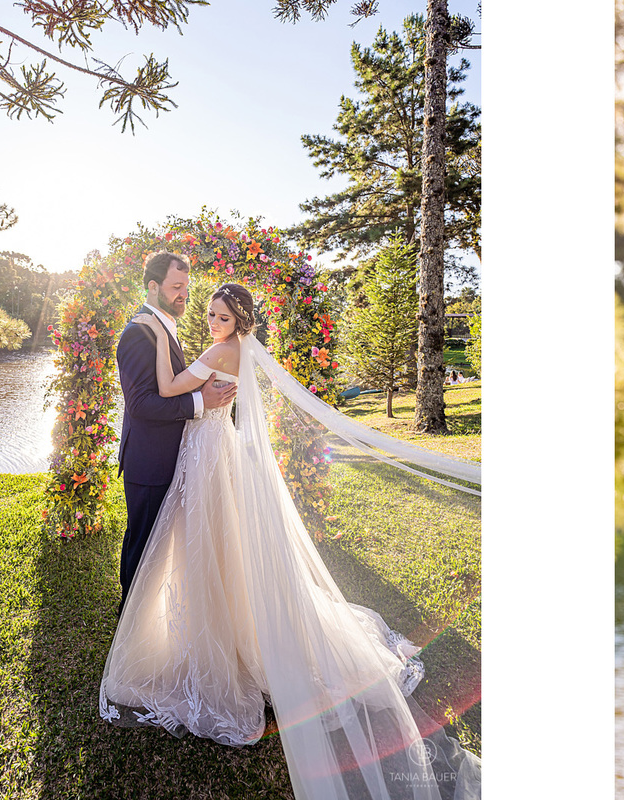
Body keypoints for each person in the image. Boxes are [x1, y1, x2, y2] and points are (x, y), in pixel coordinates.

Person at [101, 281, 481, 799]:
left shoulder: (216, 350)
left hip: (207, 457)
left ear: (239, 321)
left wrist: (156, 335)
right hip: (218, 451)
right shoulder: (241, 351)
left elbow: (164, 389)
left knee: (209, 546)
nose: (213, 322)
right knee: (223, 548)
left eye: (222, 316)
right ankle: (232, 624)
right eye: (210, 314)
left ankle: (216, 637)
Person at [114, 252, 236, 616]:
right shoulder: (139, 334)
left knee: (162, 546)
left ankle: (154, 619)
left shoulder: (166, 327)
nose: (184, 294)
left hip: (179, 457)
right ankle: (130, 622)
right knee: (143, 546)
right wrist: (200, 403)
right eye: (176, 287)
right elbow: (141, 405)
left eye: (186, 286)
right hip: (149, 461)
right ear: (153, 287)